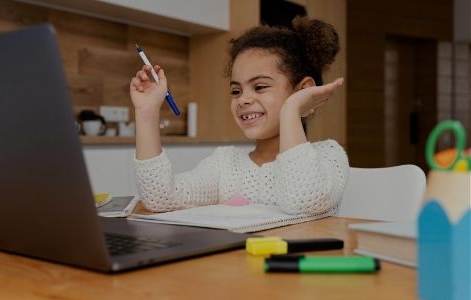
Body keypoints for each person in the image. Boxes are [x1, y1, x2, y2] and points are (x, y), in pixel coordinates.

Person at [129, 16, 349, 217]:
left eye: (260, 87)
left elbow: (303, 203)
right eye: (236, 91)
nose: (243, 99)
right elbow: (160, 199)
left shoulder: (329, 155)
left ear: (303, 91)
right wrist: (147, 113)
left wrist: (291, 109)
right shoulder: (225, 164)